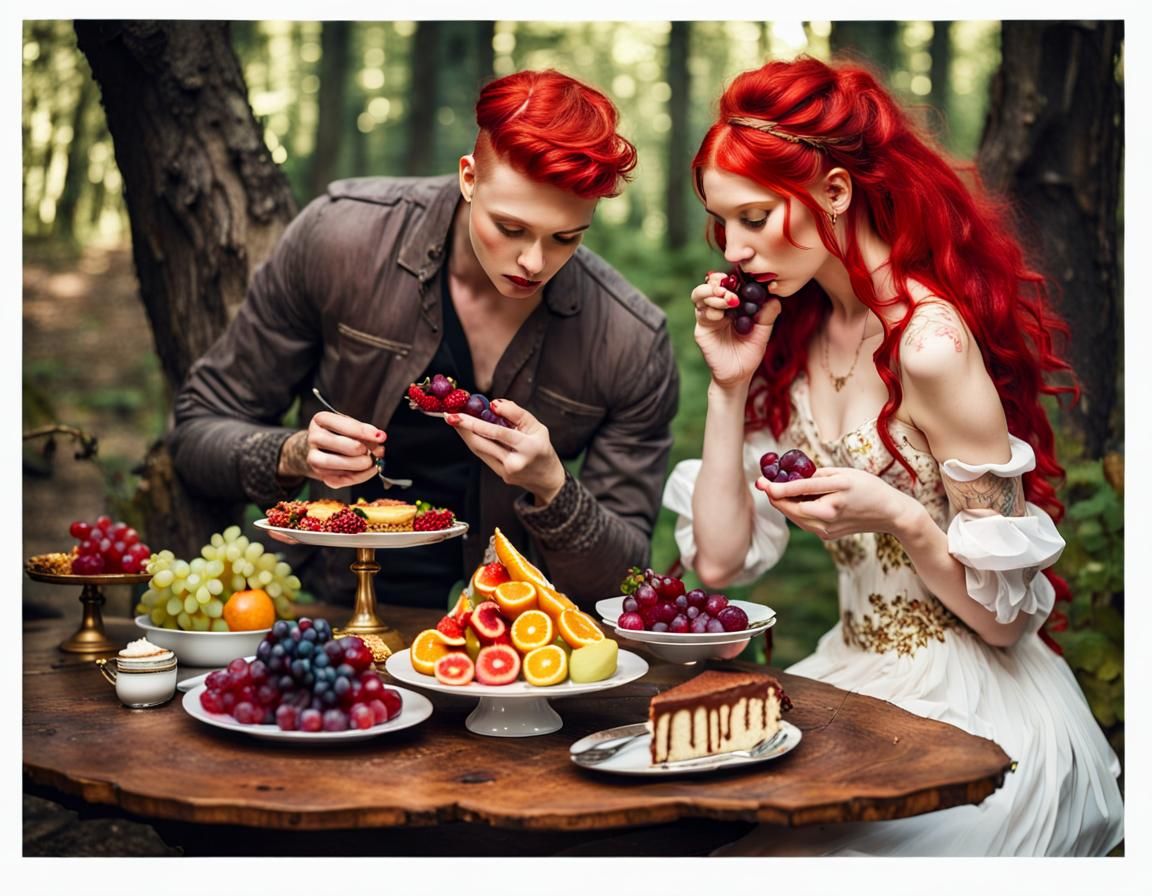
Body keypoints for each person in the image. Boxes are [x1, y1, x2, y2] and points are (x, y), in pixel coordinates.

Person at [663, 56, 1123, 855]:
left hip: (973, 705)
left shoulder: (931, 345)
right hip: (850, 682)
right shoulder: (791, 330)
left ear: (836, 192)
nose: (734, 249)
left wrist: (902, 517)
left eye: (755, 217)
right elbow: (720, 562)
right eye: (722, 224)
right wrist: (729, 386)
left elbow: (1005, 623)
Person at [170, 69, 679, 609]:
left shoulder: (630, 340)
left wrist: (553, 486)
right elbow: (196, 430)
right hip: (323, 609)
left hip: (508, 635)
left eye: (566, 238)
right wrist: (293, 453)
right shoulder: (340, 241)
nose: (534, 261)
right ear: (468, 178)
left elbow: (623, 580)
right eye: (510, 229)